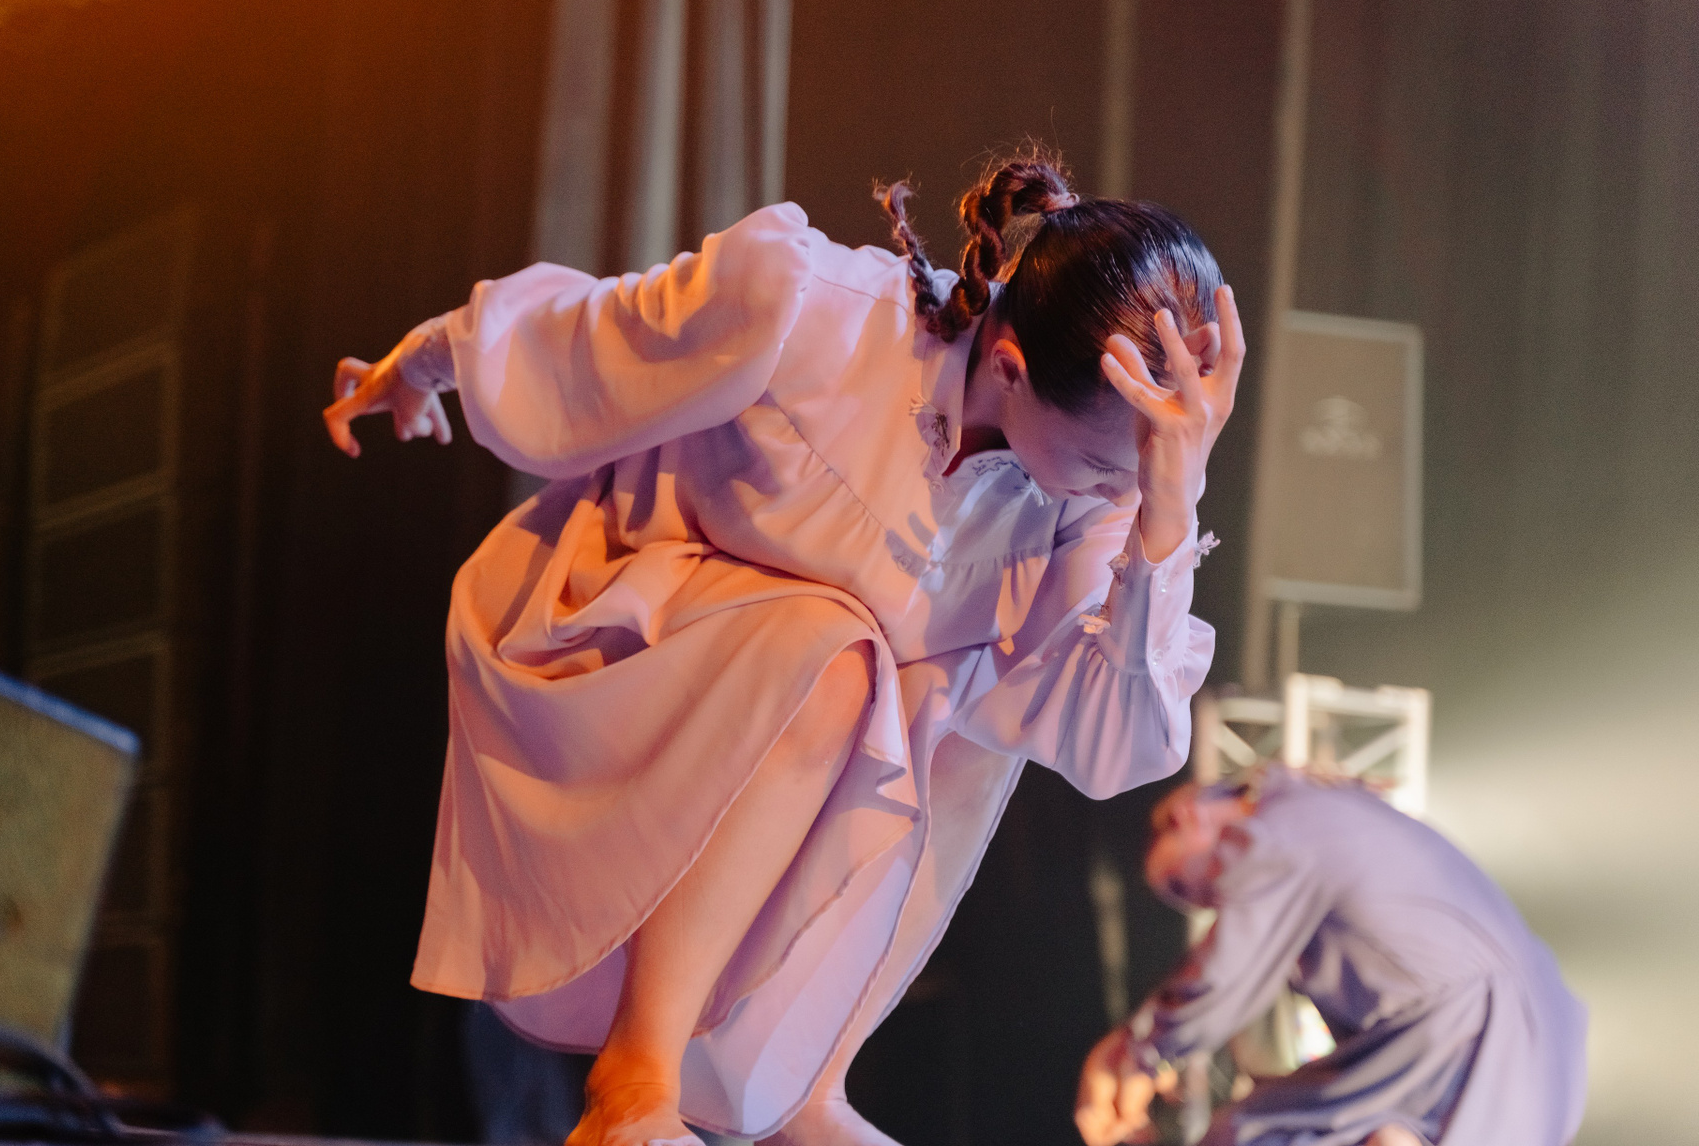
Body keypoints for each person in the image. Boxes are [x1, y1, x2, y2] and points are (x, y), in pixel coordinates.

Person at [322, 154, 1245, 1146]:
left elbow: (1112, 744)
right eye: (1114, 462)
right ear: (1013, 368)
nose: (1121, 489)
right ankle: (635, 1078)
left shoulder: (1098, 503)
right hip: (623, 643)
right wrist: (420, 361)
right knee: (838, 656)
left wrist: (1169, 509)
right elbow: (588, 337)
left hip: (805, 734)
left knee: (978, 713)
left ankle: (803, 1083)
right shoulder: (815, 306)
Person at [1074, 768, 1589, 1146]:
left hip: (1464, 1030)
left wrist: (1133, 1054)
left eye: (1183, 886)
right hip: (1547, 1070)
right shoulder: (1333, 813)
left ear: (1188, 817)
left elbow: (1221, 978)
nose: (1204, 904)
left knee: (1246, 1134)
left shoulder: (1279, 829)